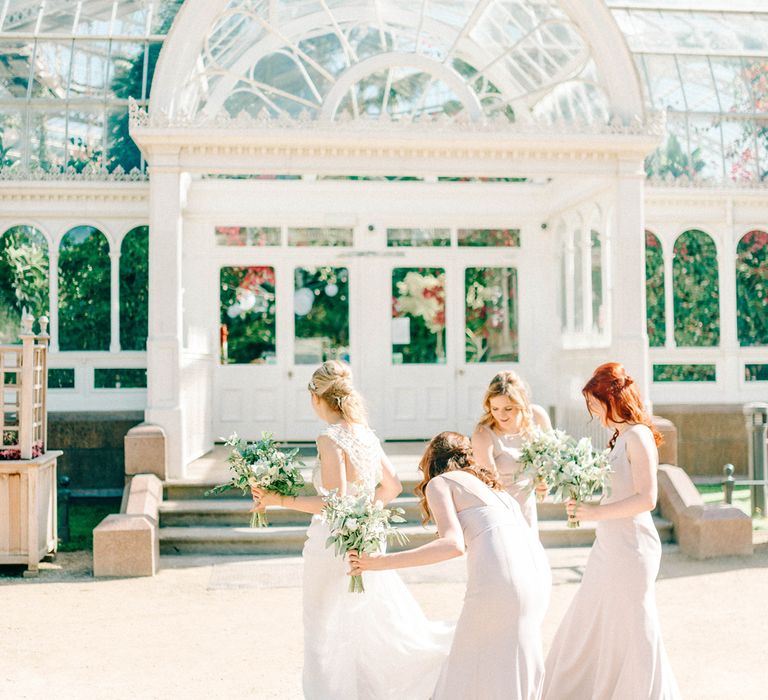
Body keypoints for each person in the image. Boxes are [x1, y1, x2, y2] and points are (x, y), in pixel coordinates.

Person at [250, 360, 450, 700]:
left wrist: (276, 499)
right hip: (367, 539)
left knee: (322, 628)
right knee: (366, 624)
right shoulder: (365, 434)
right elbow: (392, 487)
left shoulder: (330, 438)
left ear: (316, 397)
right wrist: (364, 517)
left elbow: (332, 502)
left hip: (333, 546)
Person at [350, 431, 551, 700]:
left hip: (503, 581)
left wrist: (380, 562)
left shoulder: (441, 483)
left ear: (431, 460)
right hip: (537, 577)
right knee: (511, 661)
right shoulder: (495, 489)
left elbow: (452, 544)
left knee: (466, 665)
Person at [543, 362, 681, 699]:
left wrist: (596, 512)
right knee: (591, 618)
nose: (591, 411)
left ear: (612, 398)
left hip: (632, 548)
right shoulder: (617, 437)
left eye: (594, 403)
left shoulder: (639, 435)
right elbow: (617, 489)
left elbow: (647, 498)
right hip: (609, 546)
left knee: (632, 624)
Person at [471, 371, 552, 528]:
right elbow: (490, 481)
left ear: (521, 404)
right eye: (495, 408)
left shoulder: (538, 416)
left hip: (527, 503)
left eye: (508, 409)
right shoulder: (483, 434)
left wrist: (543, 479)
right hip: (499, 505)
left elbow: (550, 455)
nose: (501, 415)